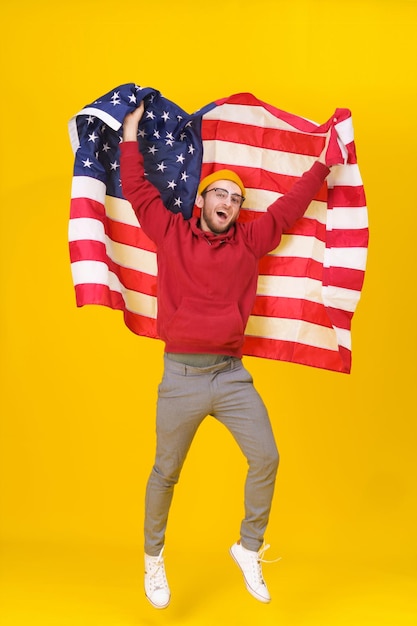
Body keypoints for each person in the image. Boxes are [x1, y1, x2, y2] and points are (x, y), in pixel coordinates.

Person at [120, 102, 331, 608]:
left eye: (236, 198)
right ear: (202, 199)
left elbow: (291, 205)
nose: (228, 202)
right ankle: (153, 559)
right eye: (220, 193)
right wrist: (130, 132)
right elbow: (136, 188)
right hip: (181, 379)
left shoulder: (251, 240)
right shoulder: (171, 232)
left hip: (232, 378)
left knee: (267, 458)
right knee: (165, 472)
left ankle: (248, 548)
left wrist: (325, 161)